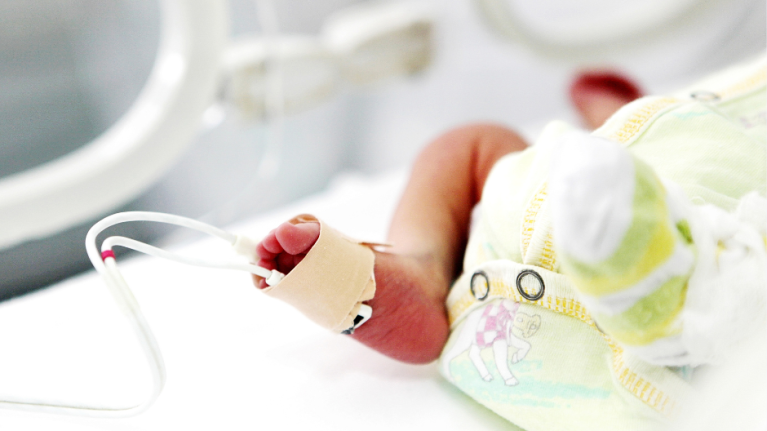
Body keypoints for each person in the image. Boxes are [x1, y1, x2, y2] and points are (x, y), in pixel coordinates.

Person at [253, 56, 766, 430]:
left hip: (591, 222)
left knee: (467, 148)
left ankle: (424, 263)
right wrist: (618, 108)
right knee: (479, 149)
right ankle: (679, 288)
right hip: (573, 308)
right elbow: (645, 146)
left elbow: (660, 143)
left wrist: (619, 111)